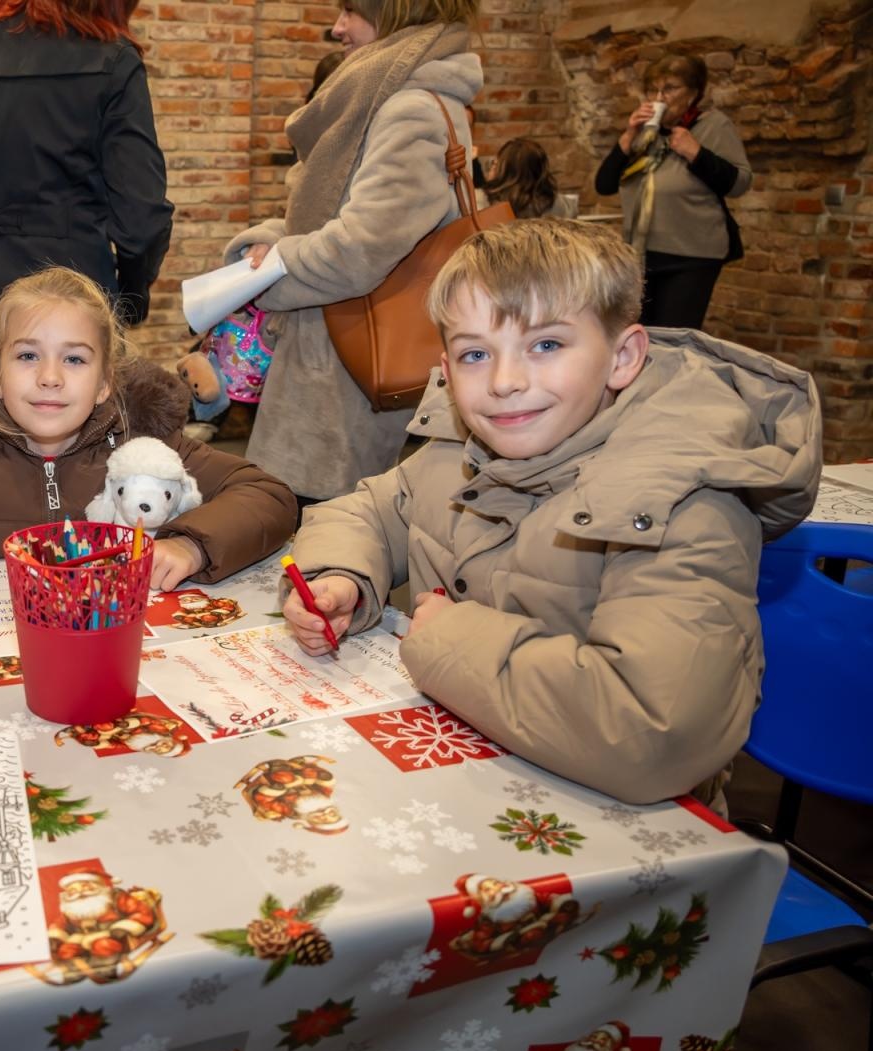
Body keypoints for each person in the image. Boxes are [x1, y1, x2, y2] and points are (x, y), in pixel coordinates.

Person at [281, 219, 821, 807]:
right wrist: (343, 578)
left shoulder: (683, 502)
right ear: (447, 368)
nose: (505, 382)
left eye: (545, 345)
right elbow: (367, 511)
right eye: (475, 354)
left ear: (622, 357)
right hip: (467, 776)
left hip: (618, 826)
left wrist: (447, 640)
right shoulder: (460, 448)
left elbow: (654, 736)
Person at [0, 267, 297, 607]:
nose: (49, 377)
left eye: (74, 359)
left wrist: (192, 547)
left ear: (104, 384)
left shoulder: (142, 443)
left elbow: (268, 495)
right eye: (27, 356)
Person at [229, 0, 485, 504]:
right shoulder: (376, 97)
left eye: (350, 11)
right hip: (331, 363)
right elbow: (341, 221)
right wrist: (271, 240)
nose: (337, 28)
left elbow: (360, 251)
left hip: (344, 377)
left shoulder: (408, 108)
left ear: (394, 12)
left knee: (328, 529)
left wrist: (271, 272)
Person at [0, 0, 173, 358]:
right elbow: (141, 219)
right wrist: (132, 295)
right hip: (69, 296)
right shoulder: (111, 60)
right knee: (65, 395)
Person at [594, 53, 752, 328]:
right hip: (640, 255)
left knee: (674, 338)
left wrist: (697, 153)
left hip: (691, 255)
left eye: (669, 89)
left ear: (693, 93)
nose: (659, 97)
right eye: (652, 90)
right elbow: (604, 185)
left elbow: (739, 183)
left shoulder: (713, 126)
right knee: (639, 334)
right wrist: (629, 135)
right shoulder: (647, 133)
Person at [485, 138, 576, 219]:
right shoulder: (562, 205)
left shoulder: (492, 208)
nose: (492, 167)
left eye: (495, 164)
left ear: (505, 171)